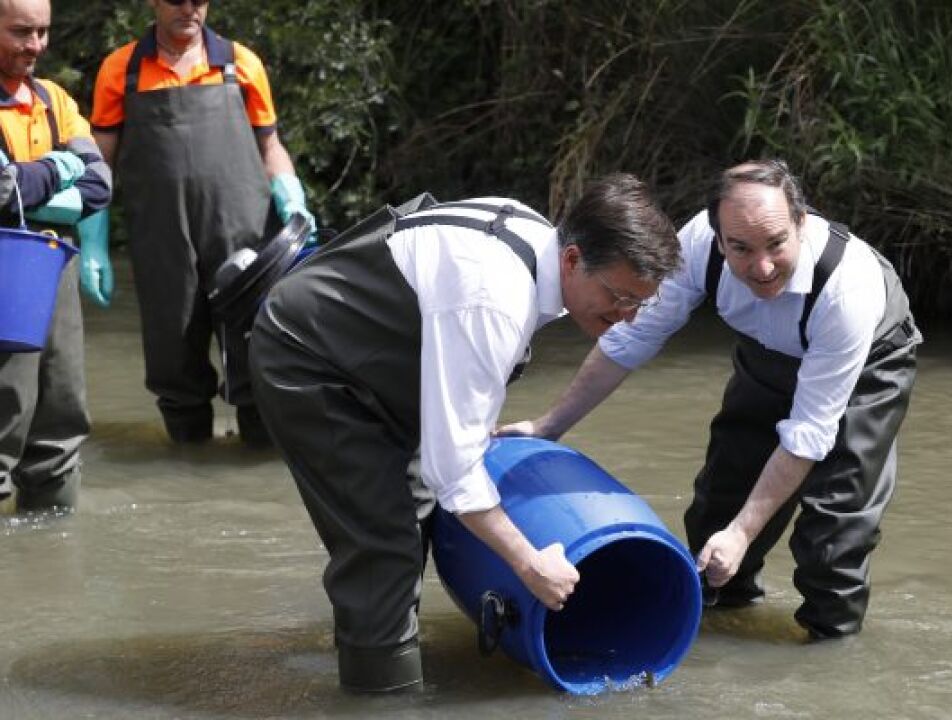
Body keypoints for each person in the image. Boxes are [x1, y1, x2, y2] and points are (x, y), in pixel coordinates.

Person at [248, 173, 682, 692]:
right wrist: (529, 563)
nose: (627, 317)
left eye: (640, 304)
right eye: (619, 296)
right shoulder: (493, 298)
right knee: (384, 545)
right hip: (310, 359)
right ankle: (382, 698)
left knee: (414, 515)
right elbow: (454, 471)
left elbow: (448, 456)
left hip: (374, 363)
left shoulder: (538, 247)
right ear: (572, 259)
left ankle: (374, 648)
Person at [501, 160, 922, 639]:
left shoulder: (847, 292)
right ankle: (717, 625)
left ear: (802, 223)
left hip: (866, 365)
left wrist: (743, 533)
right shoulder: (697, 245)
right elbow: (631, 339)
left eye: (776, 244)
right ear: (718, 239)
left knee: (832, 537)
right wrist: (549, 426)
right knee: (716, 513)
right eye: (741, 248)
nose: (762, 267)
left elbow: (808, 434)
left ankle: (830, 649)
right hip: (767, 353)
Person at [89, 0, 314, 446]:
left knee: (256, 352)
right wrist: (93, 240)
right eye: (178, 0)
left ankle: (256, 460)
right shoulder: (122, 70)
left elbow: (270, 146)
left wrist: (292, 194)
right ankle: (188, 457)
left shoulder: (240, 64)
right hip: (162, 239)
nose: (190, 9)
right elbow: (99, 162)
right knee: (173, 360)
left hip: (244, 236)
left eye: (200, 0)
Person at [0, 0, 112, 513]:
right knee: (5, 411)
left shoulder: (55, 100)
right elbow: (4, 190)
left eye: (43, 31)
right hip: (6, 275)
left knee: (61, 415)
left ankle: (51, 546)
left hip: (54, 266)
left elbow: (99, 183)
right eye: (21, 32)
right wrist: (56, 168)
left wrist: (30, 184)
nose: (36, 45)